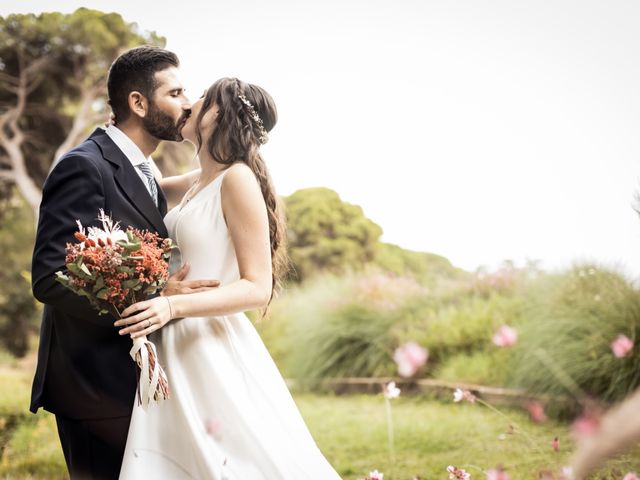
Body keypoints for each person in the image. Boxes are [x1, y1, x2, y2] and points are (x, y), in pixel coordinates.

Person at [115, 77, 342, 479]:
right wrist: (119, 132)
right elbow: (128, 190)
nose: (188, 104)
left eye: (199, 97)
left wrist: (172, 304)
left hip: (206, 344)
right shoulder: (195, 181)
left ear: (217, 114)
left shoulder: (236, 179)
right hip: (171, 341)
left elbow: (258, 287)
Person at [30, 46, 218, 479]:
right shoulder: (84, 166)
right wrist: (158, 295)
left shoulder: (145, 172)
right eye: (175, 92)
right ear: (138, 103)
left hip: (133, 380)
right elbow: (50, 278)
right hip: (92, 386)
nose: (187, 103)